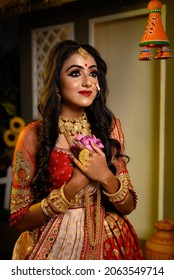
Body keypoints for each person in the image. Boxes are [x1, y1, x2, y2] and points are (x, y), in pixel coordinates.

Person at [9, 39, 144, 260]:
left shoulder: (108, 127)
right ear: (56, 83)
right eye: (75, 73)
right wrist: (73, 186)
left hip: (109, 242)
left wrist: (105, 176)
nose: (87, 82)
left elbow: (128, 205)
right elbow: (19, 220)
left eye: (93, 73)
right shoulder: (34, 134)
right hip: (53, 245)